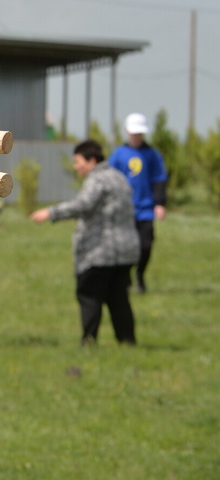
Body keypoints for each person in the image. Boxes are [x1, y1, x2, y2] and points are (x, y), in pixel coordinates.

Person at [30, 140, 139, 346]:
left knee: (90, 296)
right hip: (125, 250)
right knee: (118, 299)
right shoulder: (120, 178)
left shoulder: (97, 179)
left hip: (100, 251)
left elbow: (83, 205)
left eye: (77, 161)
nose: (75, 166)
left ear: (91, 161)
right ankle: (127, 341)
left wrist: (51, 213)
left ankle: (89, 340)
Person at [108, 113, 168, 293]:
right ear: (127, 131)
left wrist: (159, 204)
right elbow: (110, 180)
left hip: (145, 209)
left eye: (140, 133)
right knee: (125, 246)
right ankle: (124, 280)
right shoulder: (118, 154)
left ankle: (140, 274)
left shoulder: (152, 155)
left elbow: (159, 179)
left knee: (145, 245)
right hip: (124, 209)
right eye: (134, 133)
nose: (137, 136)